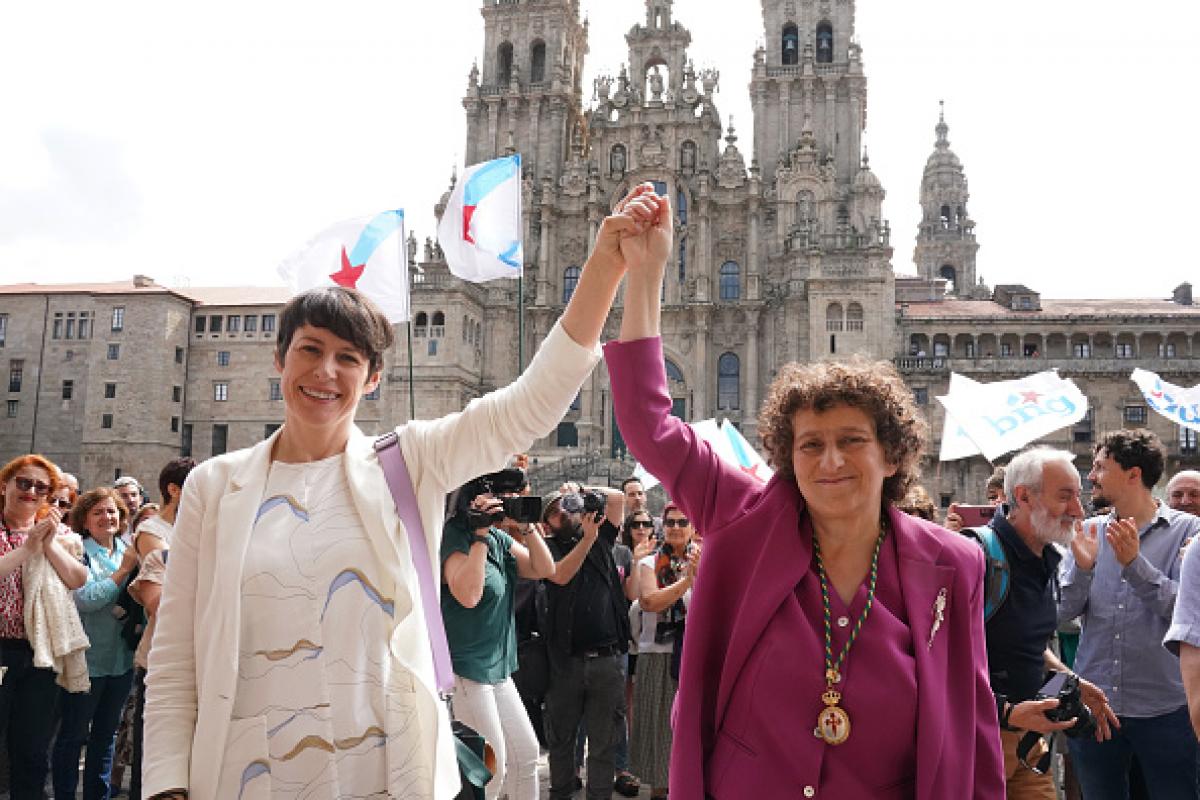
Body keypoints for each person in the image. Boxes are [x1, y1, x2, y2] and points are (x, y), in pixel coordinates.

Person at [142, 184, 662, 800]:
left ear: (373, 378)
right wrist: (166, 787)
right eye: (309, 350)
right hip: (247, 776)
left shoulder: (406, 464)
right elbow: (176, 663)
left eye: (348, 358)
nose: (325, 372)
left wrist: (606, 265)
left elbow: (529, 406)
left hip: (384, 775)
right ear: (280, 358)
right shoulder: (215, 486)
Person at [603, 191, 1004, 797]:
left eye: (851, 440)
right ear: (787, 456)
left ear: (892, 454)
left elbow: (972, 729)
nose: (831, 460)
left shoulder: (954, 564)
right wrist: (647, 273)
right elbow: (648, 424)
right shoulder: (745, 516)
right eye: (810, 444)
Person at [1058, 429, 1200, 798]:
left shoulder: (1190, 531)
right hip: (1097, 706)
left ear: (1133, 474)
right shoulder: (1087, 531)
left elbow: (1186, 614)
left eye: (1101, 467)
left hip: (1167, 711)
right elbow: (1058, 615)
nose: (1091, 476)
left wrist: (1135, 565)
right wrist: (1082, 569)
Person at [975, 447, 1116, 799]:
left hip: (1029, 746)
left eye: (1079, 496)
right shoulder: (975, 558)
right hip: (975, 742)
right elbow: (939, 664)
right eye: (1065, 496)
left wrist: (1070, 682)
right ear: (1023, 496)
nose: (1079, 510)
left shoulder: (1049, 559)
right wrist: (1007, 712)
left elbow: (1030, 649)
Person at [440, 470, 555, 800]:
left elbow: (544, 569)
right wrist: (478, 535)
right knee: (490, 768)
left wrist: (527, 525)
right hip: (466, 670)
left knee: (526, 755)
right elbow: (469, 595)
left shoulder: (500, 539)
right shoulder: (455, 536)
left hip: (498, 668)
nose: (508, 503)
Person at [0, 455, 88, 799]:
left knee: (32, 750)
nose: (31, 491)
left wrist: (47, 543)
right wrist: (27, 548)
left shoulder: (59, 534)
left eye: (41, 487)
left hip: (39, 653)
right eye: (23, 482)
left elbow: (77, 578)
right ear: (5, 485)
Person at [541, 487, 630, 800]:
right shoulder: (546, 548)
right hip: (565, 661)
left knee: (604, 743)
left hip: (606, 659)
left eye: (567, 507)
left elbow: (618, 499)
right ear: (545, 523)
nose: (562, 513)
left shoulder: (601, 535)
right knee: (562, 741)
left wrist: (584, 491)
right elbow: (560, 575)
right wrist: (587, 540)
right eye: (554, 510)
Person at [54, 487, 139, 800]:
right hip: (87, 664)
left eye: (112, 511)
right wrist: (124, 571)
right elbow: (87, 600)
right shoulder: (79, 551)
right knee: (73, 736)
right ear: (85, 520)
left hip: (121, 661)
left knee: (106, 738)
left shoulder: (129, 548)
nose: (108, 517)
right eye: (99, 512)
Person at [126, 457, 195, 800]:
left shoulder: (198, 533)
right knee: (155, 764)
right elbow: (160, 603)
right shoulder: (153, 533)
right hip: (160, 660)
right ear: (175, 490)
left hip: (198, 663)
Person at [630, 502, 699, 800]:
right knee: (659, 733)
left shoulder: (706, 560)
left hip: (694, 656)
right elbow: (649, 602)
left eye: (683, 522)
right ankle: (661, 792)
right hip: (658, 656)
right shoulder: (649, 564)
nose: (675, 527)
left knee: (688, 731)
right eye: (670, 522)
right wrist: (688, 581)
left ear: (693, 527)